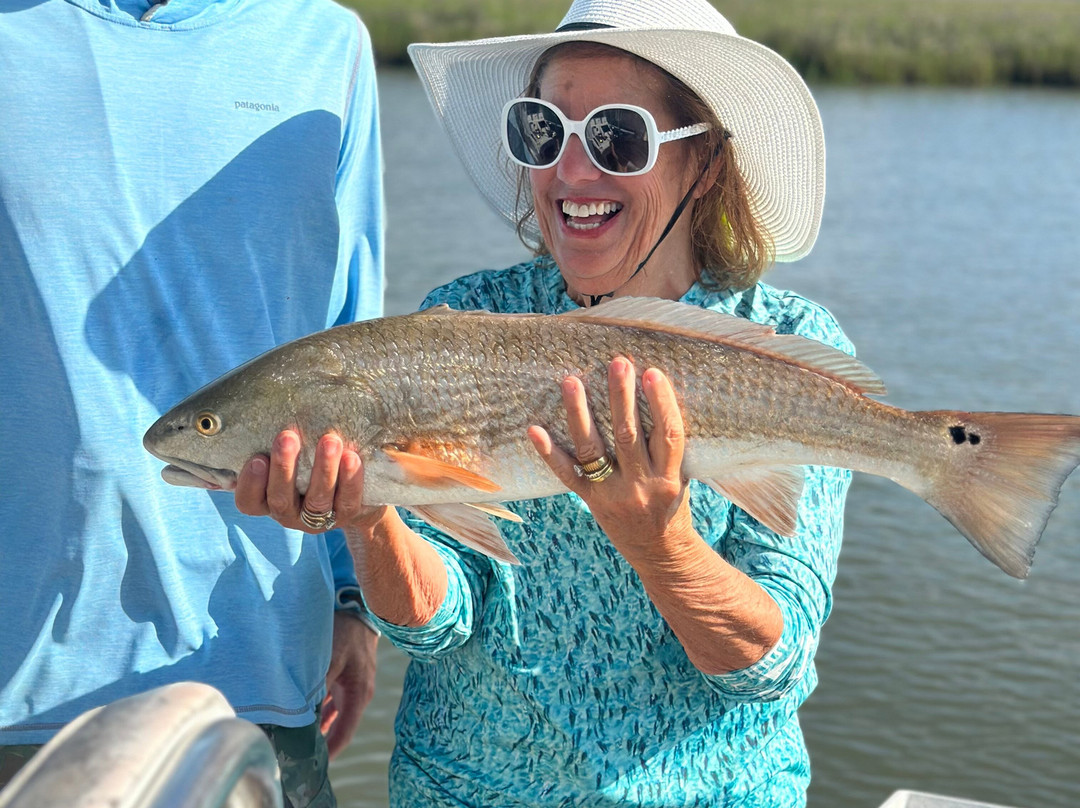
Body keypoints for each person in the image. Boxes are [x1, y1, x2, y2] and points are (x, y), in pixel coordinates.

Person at [236, 0, 848, 804]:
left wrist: (661, 545)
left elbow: (773, 667)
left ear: (703, 165)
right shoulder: (458, 315)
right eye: (542, 131)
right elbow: (436, 620)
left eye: (616, 137)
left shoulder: (788, 340)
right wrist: (367, 512)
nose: (571, 170)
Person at [0, 1, 383, 805]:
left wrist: (356, 597)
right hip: (18, 687)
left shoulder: (329, 45)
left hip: (264, 660)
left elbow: (356, 333)